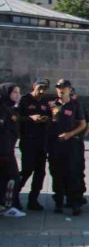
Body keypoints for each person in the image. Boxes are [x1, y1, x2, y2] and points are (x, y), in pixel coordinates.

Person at [48, 79, 87, 215]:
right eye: (58, 87)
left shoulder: (76, 105)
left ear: (69, 89)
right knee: (57, 173)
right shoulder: (52, 104)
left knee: (73, 174)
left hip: (71, 145)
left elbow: (83, 125)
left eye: (63, 87)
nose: (60, 90)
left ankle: (75, 203)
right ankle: (58, 202)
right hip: (55, 145)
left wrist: (70, 134)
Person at [15, 78, 50, 210]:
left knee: (40, 172)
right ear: (33, 87)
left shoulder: (45, 102)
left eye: (44, 89)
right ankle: (13, 196)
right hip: (28, 141)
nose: (41, 91)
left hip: (41, 142)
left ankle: (33, 200)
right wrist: (30, 118)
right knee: (27, 170)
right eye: (39, 88)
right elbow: (16, 118)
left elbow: (50, 116)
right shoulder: (24, 100)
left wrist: (46, 119)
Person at [0, 83, 25, 217]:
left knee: (6, 179)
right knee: (13, 177)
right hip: (4, 152)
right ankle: (9, 206)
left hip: (8, 151)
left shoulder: (11, 108)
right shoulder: (2, 109)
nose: (17, 95)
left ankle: (5, 205)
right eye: (14, 92)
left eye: (18, 92)